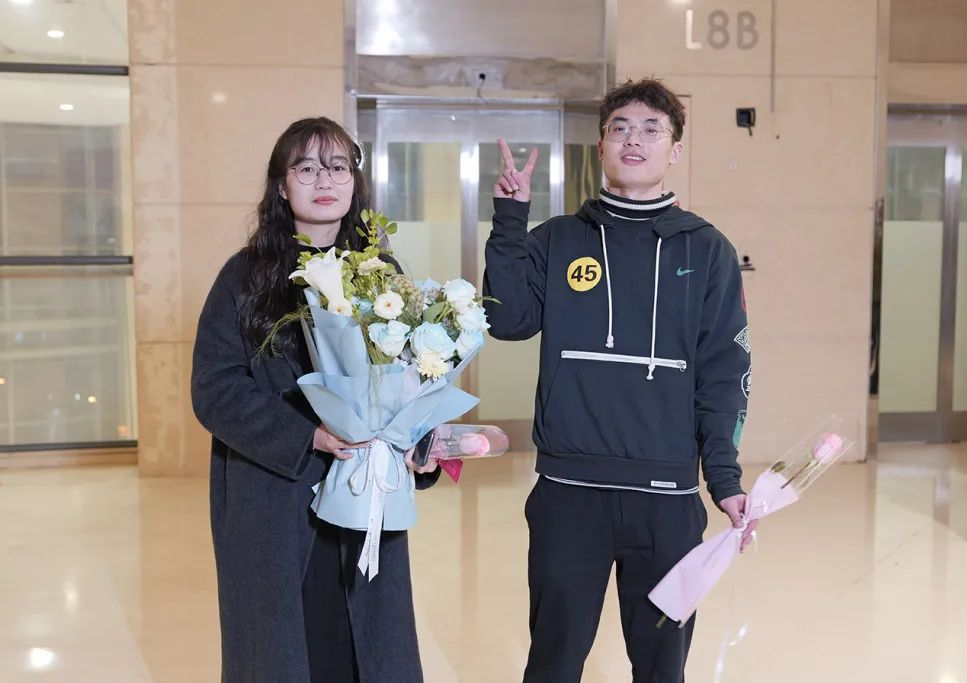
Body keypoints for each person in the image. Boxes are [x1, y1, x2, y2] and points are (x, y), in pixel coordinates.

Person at [482, 78, 756, 682]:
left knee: (662, 668)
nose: (635, 140)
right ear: (601, 145)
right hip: (567, 492)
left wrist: (725, 478)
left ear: (675, 149)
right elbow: (507, 321)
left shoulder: (707, 250)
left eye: (652, 129)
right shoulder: (558, 239)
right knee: (553, 662)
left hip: (667, 500)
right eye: (621, 128)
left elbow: (723, 373)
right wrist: (510, 219)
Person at [191, 116, 438, 683]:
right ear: (282, 186)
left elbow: (410, 380)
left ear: (354, 182)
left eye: (337, 167)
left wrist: (419, 444)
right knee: (285, 650)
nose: (323, 180)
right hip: (273, 501)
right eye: (305, 168)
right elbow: (215, 387)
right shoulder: (245, 276)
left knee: (364, 648)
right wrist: (308, 436)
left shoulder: (382, 274)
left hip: (363, 492)